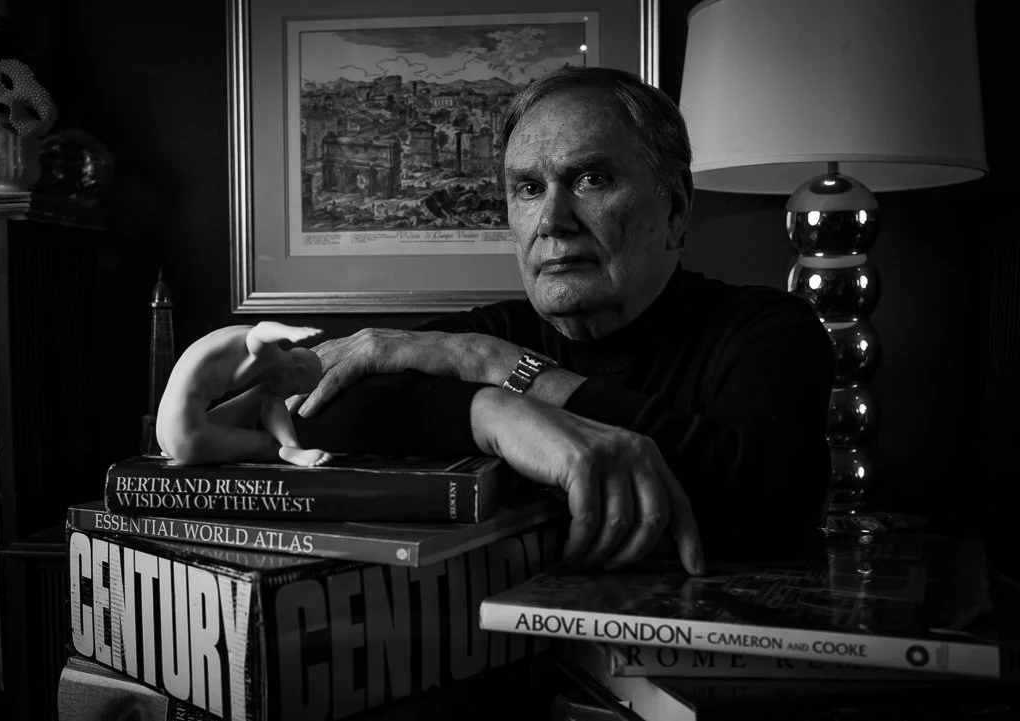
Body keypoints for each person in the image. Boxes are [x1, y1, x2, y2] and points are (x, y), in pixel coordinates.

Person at [170, 67, 834, 575]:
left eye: (592, 179)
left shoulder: (767, 329)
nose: (553, 220)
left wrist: (497, 369)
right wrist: (493, 414)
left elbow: (769, 503)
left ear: (677, 208)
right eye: (527, 188)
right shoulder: (483, 333)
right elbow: (307, 415)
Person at [155, 321, 330, 468]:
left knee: (266, 395)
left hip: (164, 434)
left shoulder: (232, 336)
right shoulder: (270, 354)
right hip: (187, 438)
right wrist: (289, 332)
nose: (288, 396)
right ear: (298, 370)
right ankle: (291, 448)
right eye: (294, 390)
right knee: (272, 444)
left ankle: (289, 446)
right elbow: (260, 332)